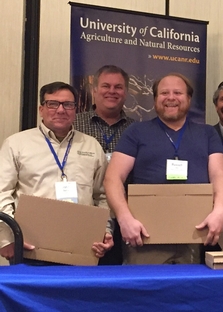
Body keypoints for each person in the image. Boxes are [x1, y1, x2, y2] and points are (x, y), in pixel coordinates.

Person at [104, 73, 223, 264]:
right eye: (164, 93)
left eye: (177, 92)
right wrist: (124, 218)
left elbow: (219, 176)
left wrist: (220, 211)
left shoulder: (208, 134)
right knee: (145, 292)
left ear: (188, 98)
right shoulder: (136, 132)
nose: (171, 97)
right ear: (155, 100)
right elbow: (112, 178)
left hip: (194, 237)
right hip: (144, 239)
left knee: (189, 293)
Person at [0, 82, 113, 262]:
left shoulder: (91, 146)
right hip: (30, 246)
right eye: (53, 104)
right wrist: (7, 238)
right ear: (41, 109)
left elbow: (103, 196)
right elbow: (2, 192)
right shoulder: (16, 144)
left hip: (81, 247)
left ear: (75, 109)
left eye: (68, 104)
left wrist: (104, 231)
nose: (61, 110)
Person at [74, 65, 136, 266]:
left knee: (119, 276)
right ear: (94, 90)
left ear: (125, 93)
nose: (112, 91)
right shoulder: (74, 124)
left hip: (127, 217)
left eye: (118, 87)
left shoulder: (137, 130)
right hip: (84, 214)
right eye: (106, 86)